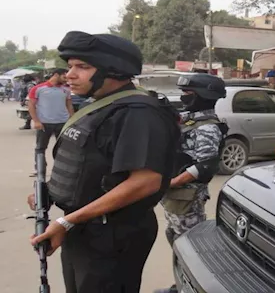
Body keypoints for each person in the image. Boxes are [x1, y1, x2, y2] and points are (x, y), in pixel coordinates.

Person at [27, 31, 179, 293]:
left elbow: (146, 181)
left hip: (112, 235)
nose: (70, 74)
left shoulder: (138, 113)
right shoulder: (99, 107)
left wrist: (67, 221)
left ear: (114, 70)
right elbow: (90, 165)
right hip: (81, 226)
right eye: (70, 66)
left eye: (82, 67)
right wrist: (52, 192)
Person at [154, 73, 228, 293]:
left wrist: (171, 183)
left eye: (188, 93)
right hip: (175, 195)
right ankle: (181, 284)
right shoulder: (190, 118)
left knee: (190, 247)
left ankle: (191, 287)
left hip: (187, 195)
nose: (183, 96)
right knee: (174, 236)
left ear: (203, 96)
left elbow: (205, 166)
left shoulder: (207, 127)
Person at [28, 69, 73, 177]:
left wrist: (72, 119)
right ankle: (40, 170)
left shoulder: (66, 90)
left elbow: (69, 105)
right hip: (44, 123)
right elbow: (31, 105)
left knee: (62, 149)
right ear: (56, 75)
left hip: (63, 123)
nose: (66, 80)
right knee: (40, 148)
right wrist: (36, 121)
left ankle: (60, 171)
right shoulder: (38, 88)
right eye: (64, 77)